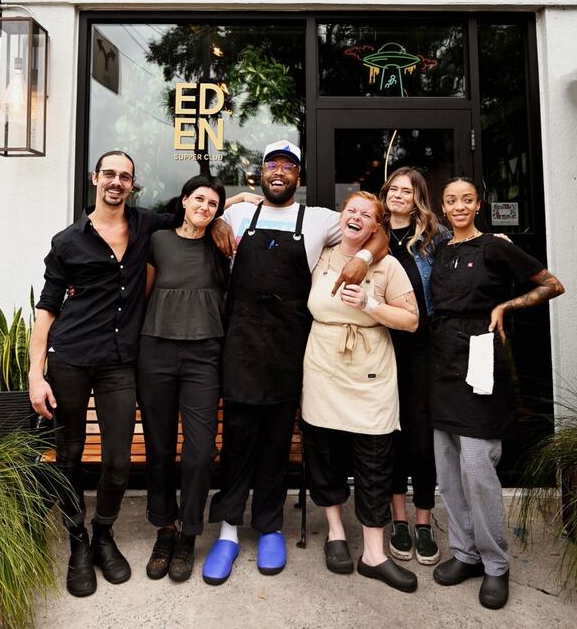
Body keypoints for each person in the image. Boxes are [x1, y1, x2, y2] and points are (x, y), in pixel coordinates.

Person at [28, 151, 253, 598]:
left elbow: (202, 212)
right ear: (95, 178)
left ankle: (136, 534)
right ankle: (89, 542)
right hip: (80, 356)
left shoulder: (148, 227)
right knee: (84, 455)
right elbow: (48, 307)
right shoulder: (72, 240)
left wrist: (226, 214)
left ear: (133, 185)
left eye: (124, 176)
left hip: (130, 360)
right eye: (108, 174)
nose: (116, 182)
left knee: (133, 460)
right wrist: (36, 373)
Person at [202, 140, 389, 585]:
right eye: (272, 166)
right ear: (261, 174)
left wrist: (362, 258)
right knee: (238, 441)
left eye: (289, 166)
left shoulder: (320, 219)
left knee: (275, 441)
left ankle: (269, 526)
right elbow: (195, 210)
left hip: (289, 345)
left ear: (299, 177)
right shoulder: (239, 215)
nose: (280, 172)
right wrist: (229, 206)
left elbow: (378, 235)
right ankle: (228, 530)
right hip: (242, 340)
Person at [429, 177, 564, 610]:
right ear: (443, 207)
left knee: (478, 468)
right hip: (443, 361)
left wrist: (507, 305)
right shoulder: (442, 249)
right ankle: (465, 553)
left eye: (466, 199)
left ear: (478, 204)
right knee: (448, 468)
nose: (459, 206)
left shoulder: (497, 246)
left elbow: (552, 284)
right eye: (451, 201)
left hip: (482, 358)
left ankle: (495, 563)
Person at [301, 191, 420, 593]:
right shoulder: (321, 253)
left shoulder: (389, 266)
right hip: (322, 367)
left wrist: (370, 303)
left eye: (366, 214)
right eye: (351, 210)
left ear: (375, 226)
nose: (356, 217)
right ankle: (335, 532)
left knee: (374, 461)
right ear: (341, 218)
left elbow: (411, 320)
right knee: (325, 453)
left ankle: (374, 553)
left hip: (371, 371)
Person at [136, 175, 229, 583]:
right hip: (155, 350)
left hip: (204, 355)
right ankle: (165, 529)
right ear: (185, 200)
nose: (205, 208)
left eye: (213, 204)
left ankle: (189, 532)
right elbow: (140, 293)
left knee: (198, 451)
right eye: (200, 199)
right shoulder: (157, 240)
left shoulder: (220, 244)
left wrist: (225, 220)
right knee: (158, 449)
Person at [379, 167, 449, 566]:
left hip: (422, 346)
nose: (399, 195)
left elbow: (468, 247)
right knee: (390, 434)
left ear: (418, 196)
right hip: (381, 344)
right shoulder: (374, 231)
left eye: (407, 191)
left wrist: (497, 240)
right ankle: (398, 519)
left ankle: (424, 520)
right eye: (394, 189)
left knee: (421, 437)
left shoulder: (433, 236)